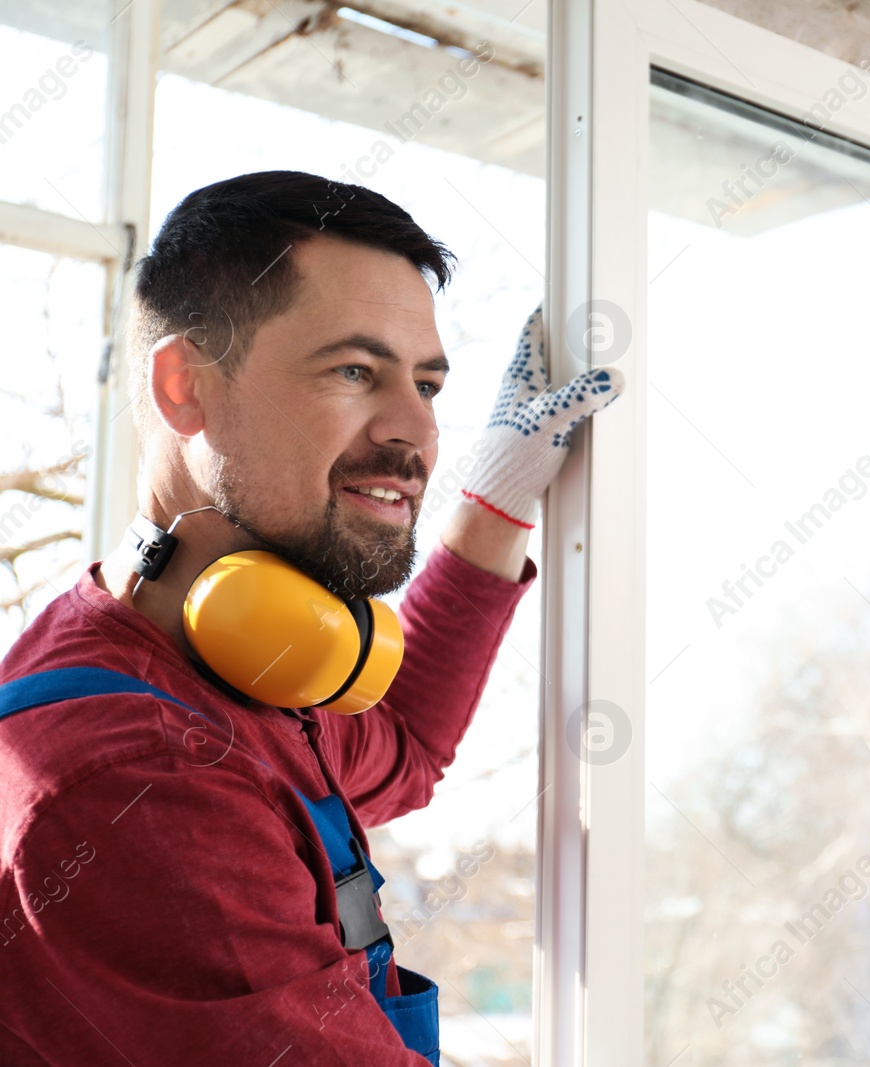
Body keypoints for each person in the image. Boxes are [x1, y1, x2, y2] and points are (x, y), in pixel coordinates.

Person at [0, 171, 621, 1064]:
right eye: (356, 371)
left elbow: (398, 740)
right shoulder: (139, 775)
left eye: (429, 385)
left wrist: (495, 496)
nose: (415, 430)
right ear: (186, 389)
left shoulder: (223, 655)